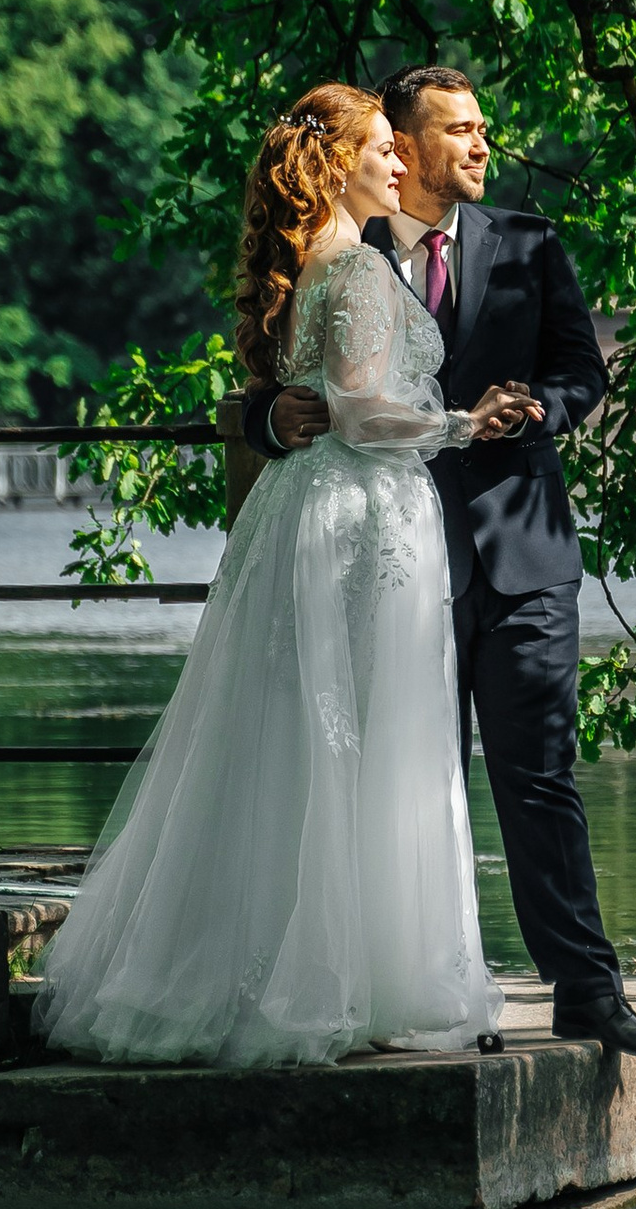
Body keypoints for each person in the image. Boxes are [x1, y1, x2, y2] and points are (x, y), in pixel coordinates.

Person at [36, 85, 539, 1068]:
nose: (402, 164)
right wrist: (459, 426)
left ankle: (325, 967)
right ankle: (338, 980)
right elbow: (355, 410)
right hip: (356, 519)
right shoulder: (348, 268)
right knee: (361, 739)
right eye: (384, 149)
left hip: (327, 512)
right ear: (336, 162)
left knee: (318, 739)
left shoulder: (329, 263)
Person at [242, 65, 636, 1060]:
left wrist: (539, 410)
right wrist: (271, 416)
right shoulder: (342, 245)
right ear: (401, 139)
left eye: (484, 127)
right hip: (384, 558)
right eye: (458, 130)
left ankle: (586, 990)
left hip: (520, 552)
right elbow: (283, 378)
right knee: (396, 778)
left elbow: (582, 372)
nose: (481, 145)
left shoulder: (529, 244)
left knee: (539, 776)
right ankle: (395, 988)